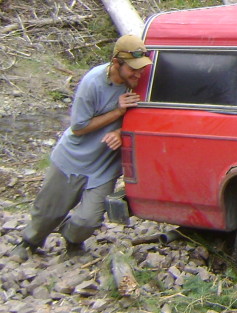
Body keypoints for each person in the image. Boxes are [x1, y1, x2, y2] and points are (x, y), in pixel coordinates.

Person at [13, 34, 152, 260]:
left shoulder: (139, 83)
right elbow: (78, 127)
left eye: (140, 68)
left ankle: (72, 240)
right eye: (132, 69)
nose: (138, 74)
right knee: (48, 211)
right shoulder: (93, 82)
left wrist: (119, 131)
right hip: (72, 158)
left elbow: (143, 119)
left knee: (89, 219)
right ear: (116, 63)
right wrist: (117, 112)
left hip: (104, 165)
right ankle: (29, 242)